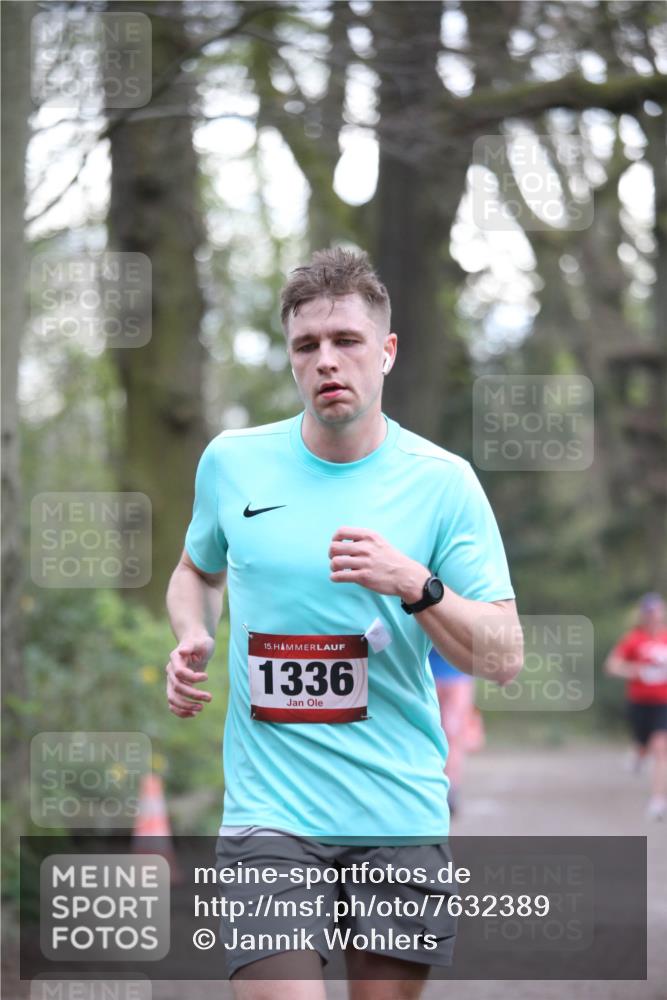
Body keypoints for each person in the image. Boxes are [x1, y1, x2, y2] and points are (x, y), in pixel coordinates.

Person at [165, 247, 523, 999]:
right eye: (307, 346)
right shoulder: (233, 462)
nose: (327, 361)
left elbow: (502, 656)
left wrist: (416, 586)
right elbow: (198, 568)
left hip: (395, 811)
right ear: (292, 360)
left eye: (347, 341)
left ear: (385, 352)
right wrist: (191, 630)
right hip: (269, 813)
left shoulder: (442, 482)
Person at [604, 592, 667, 821]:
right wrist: (634, 671)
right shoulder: (634, 639)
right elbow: (611, 665)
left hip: (663, 704)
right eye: (648, 612)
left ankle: (658, 801)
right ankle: (639, 754)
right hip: (639, 703)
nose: (652, 616)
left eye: (656, 611)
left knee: (661, 747)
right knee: (643, 744)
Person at [428, 648, 484, 817]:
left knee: (453, 732)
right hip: (427, 671)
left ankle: (450, 790)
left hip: (458, 673)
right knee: (432, 731)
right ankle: (433, 786)